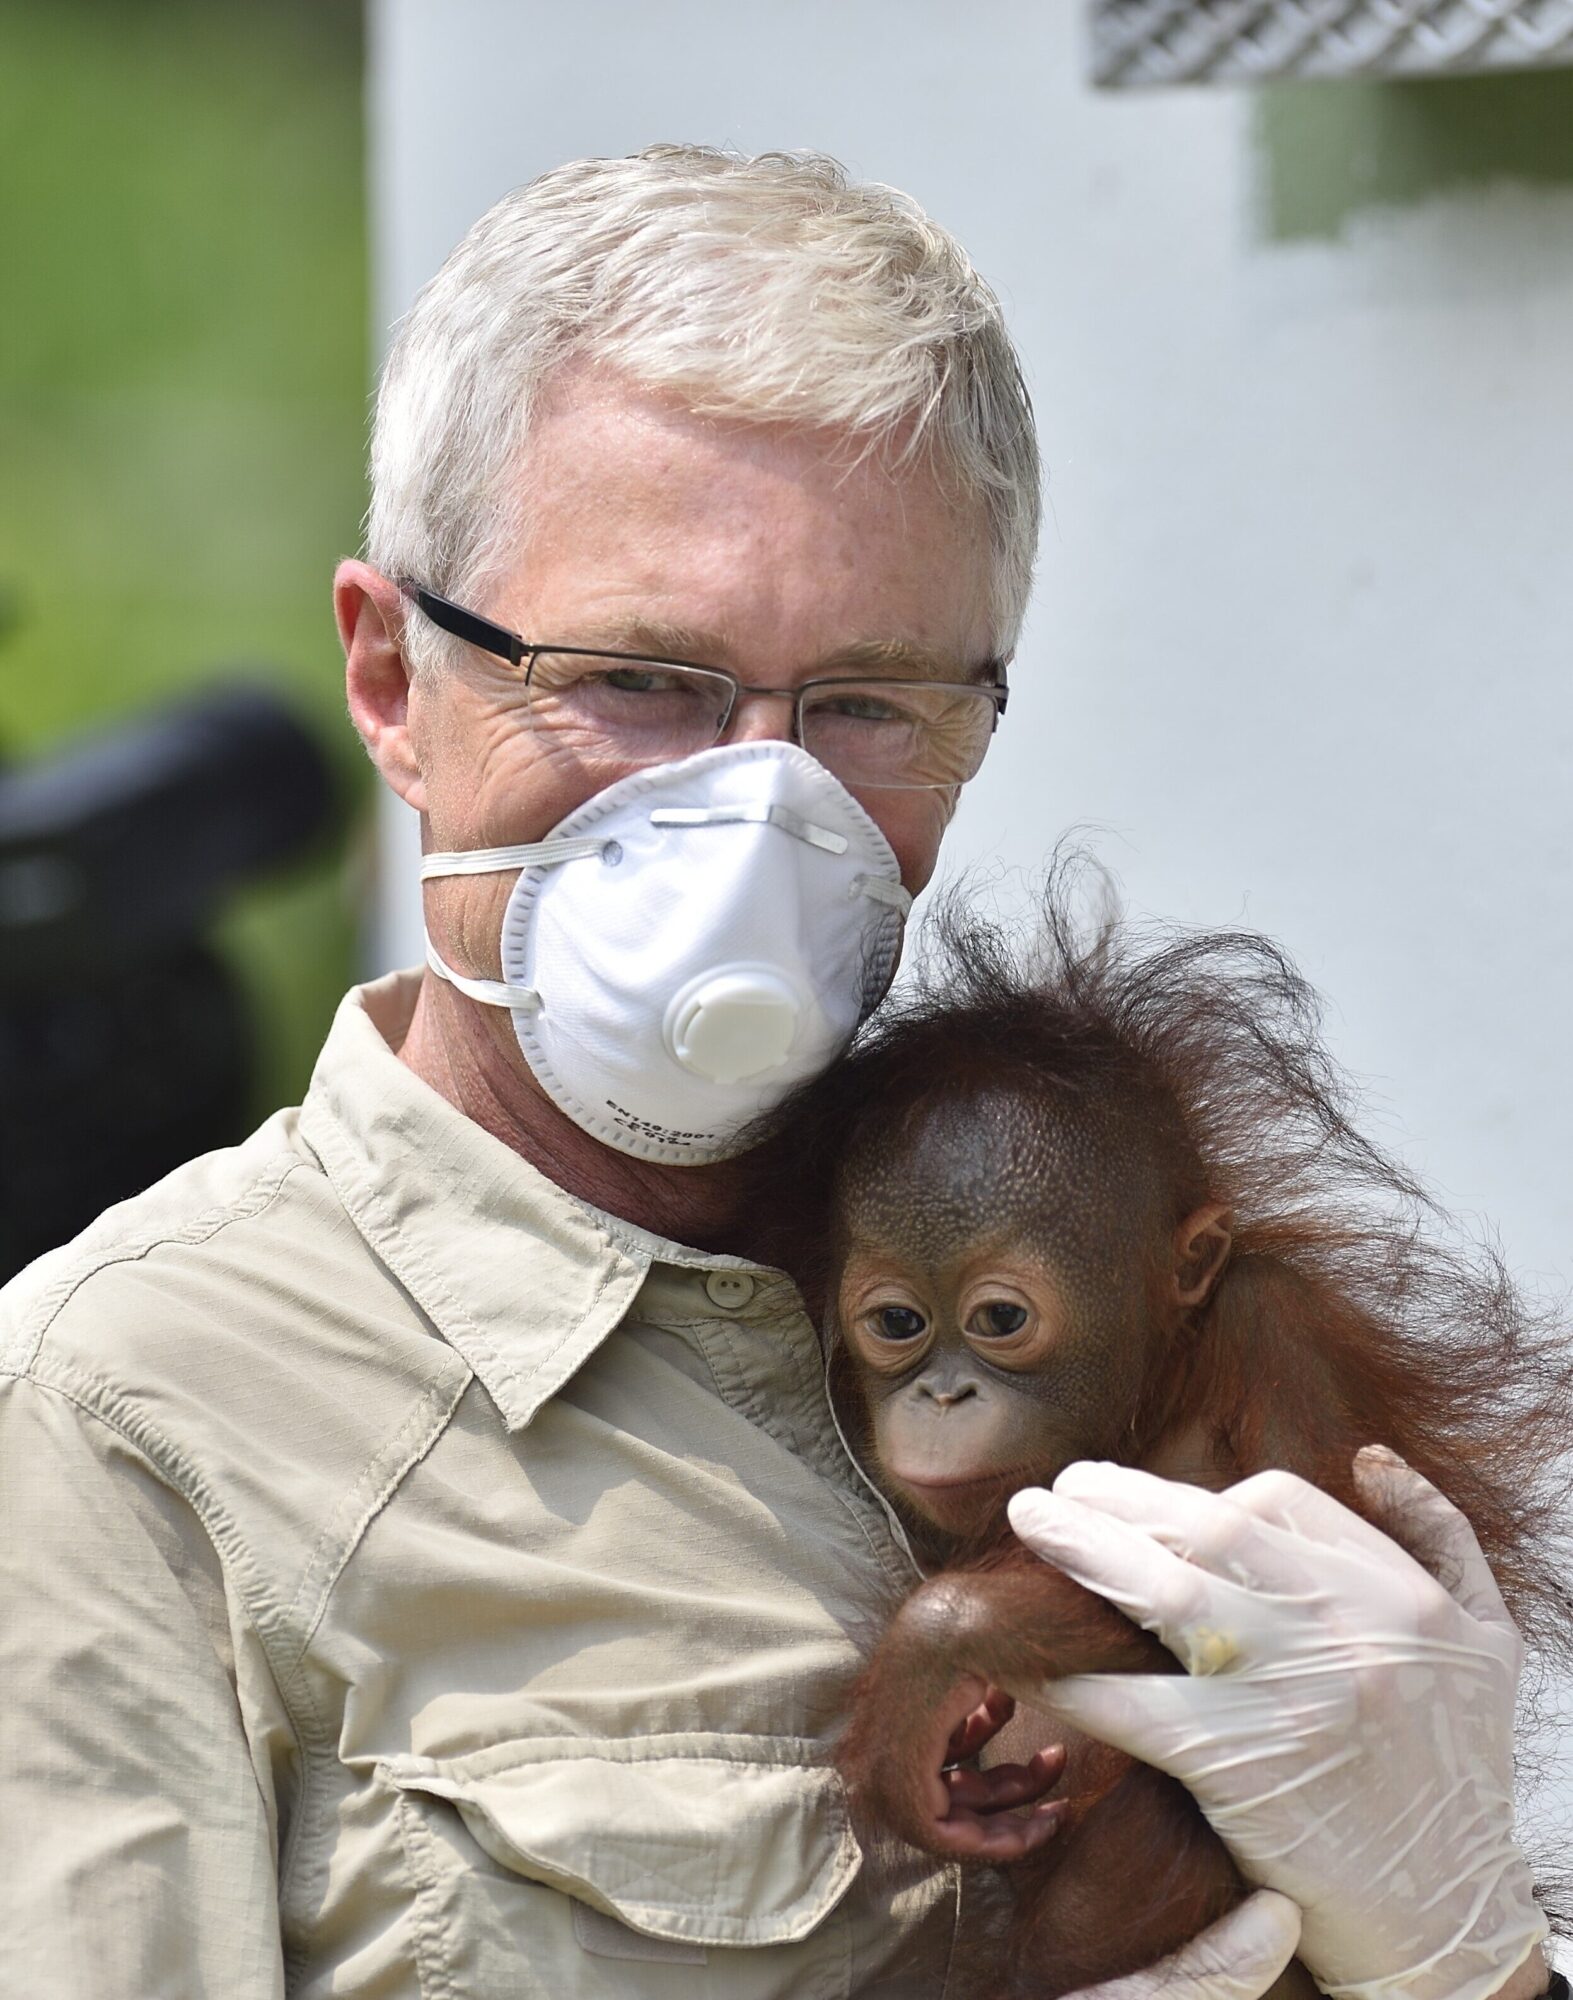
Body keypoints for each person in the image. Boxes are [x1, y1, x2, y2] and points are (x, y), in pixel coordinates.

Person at [0, 145, 1554, 2000]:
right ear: (396, 681)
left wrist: (1466, 1960)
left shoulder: (1073, 1225)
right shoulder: (129, 1422)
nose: (751, 810)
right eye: (641, 681)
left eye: (865, 707)